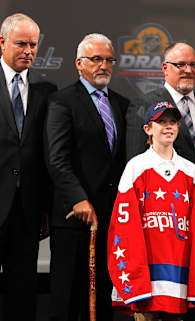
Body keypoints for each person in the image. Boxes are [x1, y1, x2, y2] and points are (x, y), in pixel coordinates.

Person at [125, 41, 195, 321]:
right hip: (162, 224)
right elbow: (134, 166)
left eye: (193, 65)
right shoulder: (143, 106)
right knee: (161, 308)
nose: (188, 70)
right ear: (165, 68)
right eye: (181, 65)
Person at [45, 33, 129, 321]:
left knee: (103, 301)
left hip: (110, 220)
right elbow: (57, 159)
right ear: (79, 63)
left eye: (108, 59)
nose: (103, 65)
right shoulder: (61, 101)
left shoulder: (122, 104)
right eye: (96, 59)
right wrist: (79, 199)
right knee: (66, 301)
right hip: (73, 218)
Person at [108, 102, 195, 321]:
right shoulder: (136, 167)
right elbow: (125, 227)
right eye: (161, 122)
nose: (168, 127)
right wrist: (135, 277)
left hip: (177, 274)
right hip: (147, 275)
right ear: (148, 129)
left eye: (173, 122)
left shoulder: (190, 170)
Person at [0, 13, 56, 321]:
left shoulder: (46, 92)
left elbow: (47, 155)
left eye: (34, 45)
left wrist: (45, 207)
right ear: (3, 42)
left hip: (27, 209)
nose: (29, 51)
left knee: (22, 292)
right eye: (22, 43)